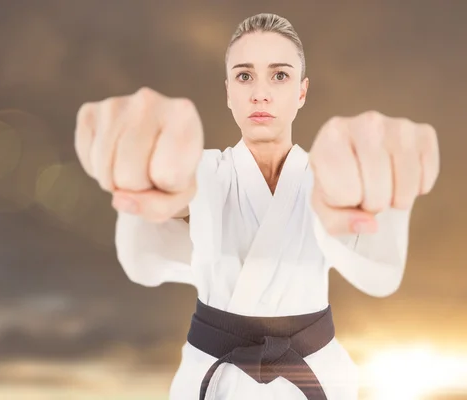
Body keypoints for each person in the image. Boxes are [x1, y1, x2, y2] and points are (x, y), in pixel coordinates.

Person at [74, 12, 439, 400]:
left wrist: (383, 192)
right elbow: (154, 239)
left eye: (279, 76)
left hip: (314, 375)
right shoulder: (204, 171)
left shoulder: (329, 177)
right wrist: (149, 172)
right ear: (228, 91)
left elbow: (378, 273)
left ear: (301, 91)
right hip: (213, 379)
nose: (259, 93)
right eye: (245, 76)